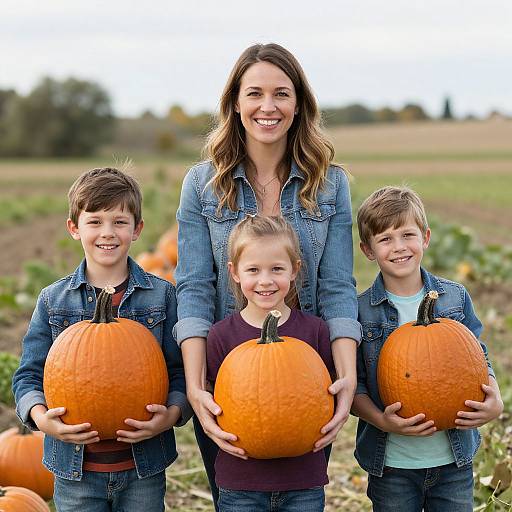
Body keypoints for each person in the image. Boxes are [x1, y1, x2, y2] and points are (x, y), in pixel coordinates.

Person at [174, 42, 361, 507]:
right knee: (235, 497)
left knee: (299, 495)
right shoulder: (202, 184)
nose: (268, 106)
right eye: (255, 93)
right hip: (227, 376)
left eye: (281, 93)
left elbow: (338, 286)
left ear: (299, 104)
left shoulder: (330, 183)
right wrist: (197, 387)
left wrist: (347, 376)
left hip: (305, 376)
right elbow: (194, 287)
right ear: (235, 103)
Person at [12, 167, 192, 512]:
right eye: (95, 222)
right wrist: (40, 417)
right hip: (74, 471)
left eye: (119, 222)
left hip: (143, 467)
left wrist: (172, 414)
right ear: (74, 228)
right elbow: (28, 374)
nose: (107, 233)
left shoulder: (162, 297)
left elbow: (180, 370)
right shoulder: (53, 301)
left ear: (137, 229)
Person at [352, 185, 504, 511]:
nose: (399, 247)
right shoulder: (362, 311)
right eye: (385, 239)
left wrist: (494, 399)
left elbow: (478, 356)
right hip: (392, 463)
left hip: (454, 460)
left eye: (407, 235)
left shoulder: (453, 297)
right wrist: (381, 420)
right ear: (368, 250)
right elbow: (356, 384)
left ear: (426, 237)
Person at [206, 215, 335, 512]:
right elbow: (212, 397)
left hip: (304, 481)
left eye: (277, 269)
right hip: (240, 483)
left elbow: (325, 394)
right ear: (235, 273)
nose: (265, 280)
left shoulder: (315, 332)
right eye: (253, 269)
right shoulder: (221, 336)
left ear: (295, 270)